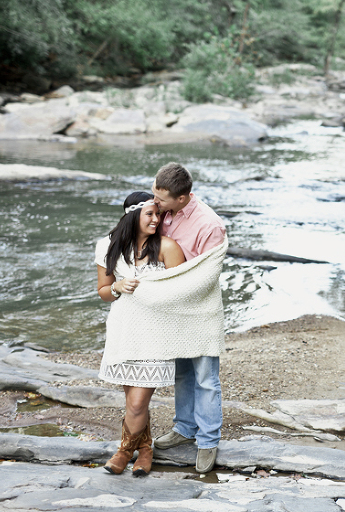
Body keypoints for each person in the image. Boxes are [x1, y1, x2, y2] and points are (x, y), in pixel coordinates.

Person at [95, 191, 186, 476]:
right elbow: (103, 292)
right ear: (133, 216)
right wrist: (117, 288)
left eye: (159, 214)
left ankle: (123, 452)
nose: (157, 219)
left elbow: (184, 294)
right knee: (133, 401)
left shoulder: (167, 248)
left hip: (156, 334)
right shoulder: (107, 246)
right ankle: (145, 450)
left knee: (137, 402)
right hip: (123, 331)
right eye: (150, 214)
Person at [150, 162, 227, 474]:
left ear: (183, 198)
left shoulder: (210, 226)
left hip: (201, 310)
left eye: (162, 199)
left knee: (206, 379)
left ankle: (208, 441)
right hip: (173, 310)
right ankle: (185, 429)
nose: (156, 203)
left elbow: (207, 277)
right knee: (181, 373)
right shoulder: (162, 211)